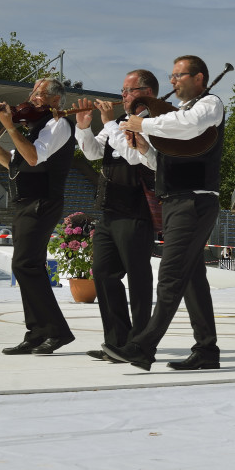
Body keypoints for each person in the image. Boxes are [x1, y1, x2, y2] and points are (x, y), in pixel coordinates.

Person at [104, 55, 225, 370]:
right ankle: (206, 350)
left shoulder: (209, 105)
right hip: (174, 201)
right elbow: (161, 164)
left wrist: (142, 123)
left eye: (178, 75)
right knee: (192, 278)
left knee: (170, 275)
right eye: (171, 76)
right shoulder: (175, 116)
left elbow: (189, 125)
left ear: (199, 78)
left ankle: (142, 347)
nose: (172, 81)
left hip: (194, 201)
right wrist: (143, 146)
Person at [0, 78, 77, 355]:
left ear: (56, 99)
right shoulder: (36, 128)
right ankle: (37, 332)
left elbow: (34, 158)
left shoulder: (58, 124)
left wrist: (10, 127)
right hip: (27, 203)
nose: (32, 98)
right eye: (33, 93)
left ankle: (56, 332)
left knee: (25, 265)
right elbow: (15, 162)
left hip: (42, 201)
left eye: (40, 94)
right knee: (26, 266)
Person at [74, 71, 159, 359]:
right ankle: (117, 341)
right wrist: (84, 127)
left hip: (137, 210)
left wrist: (110, 123)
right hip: (110, 210)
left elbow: (135, 155)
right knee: (102, 273)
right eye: (122, 90)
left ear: (147, 92)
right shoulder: (119, 122)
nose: (122, 95)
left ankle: (141, 344)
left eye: (128, 90)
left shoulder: (154, 122)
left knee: (138, 278)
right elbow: (93, 153)